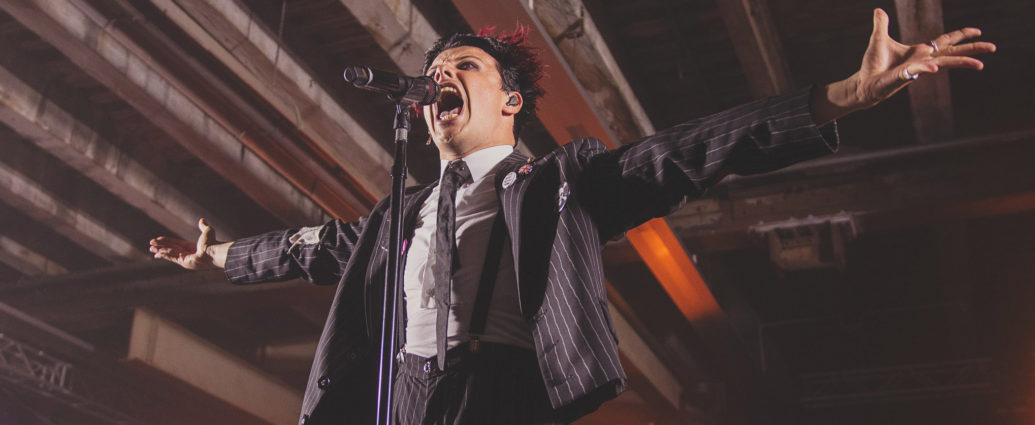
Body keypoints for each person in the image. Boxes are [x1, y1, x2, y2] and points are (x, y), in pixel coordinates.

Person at [149, 9, 994, 425]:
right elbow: (307, 248)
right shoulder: (395, 214)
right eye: (435, 67)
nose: (442, 75)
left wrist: (840, 96)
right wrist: (217, 256)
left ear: (509, 99)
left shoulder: (561, 182)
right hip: (402, 393)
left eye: (465, 65)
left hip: (502, 387)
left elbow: (691, 153)